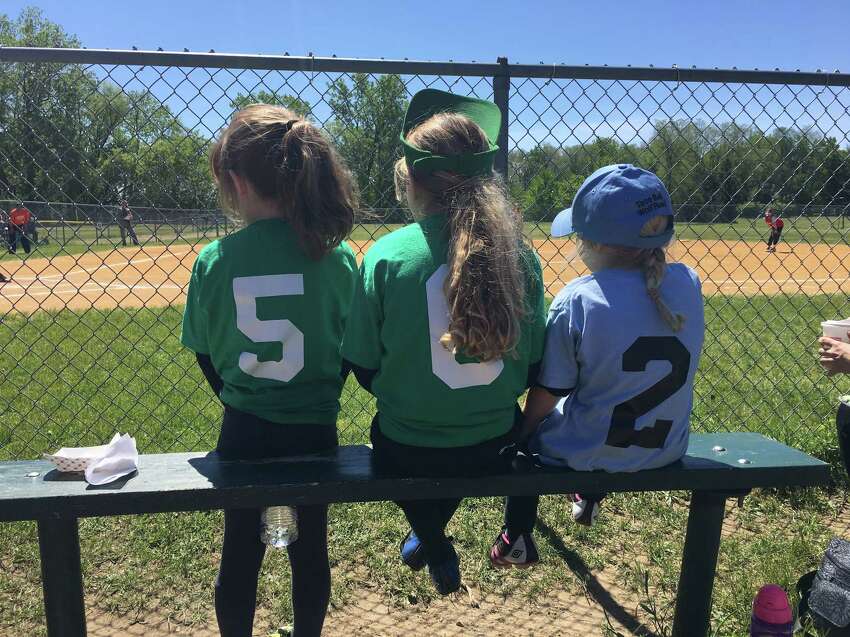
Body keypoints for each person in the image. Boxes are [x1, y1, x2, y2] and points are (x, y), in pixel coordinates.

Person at [342, 89, 546, 595]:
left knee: (398, 443)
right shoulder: (520, 257)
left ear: (411, 179)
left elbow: (363, 365)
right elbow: (536, 361)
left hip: (406, 444)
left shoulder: (387, 254)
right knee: (466, 441)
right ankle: (434, 535)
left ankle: (432, 537)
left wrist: (413, 394)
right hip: (493, 444)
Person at [180, 104, 358, 637]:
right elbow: (351, 349)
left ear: (235, 182)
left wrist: (242, 396)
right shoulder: (340, 258)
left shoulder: (214, 260)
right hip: (314, 426)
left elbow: (205, 354)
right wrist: (319, 393)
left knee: (239, 551)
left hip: (244, 428)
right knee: (310, 551)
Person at [489, 164, 705, 568]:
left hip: (592, 449)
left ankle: (516, 537)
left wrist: (523, 430)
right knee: (601, 403)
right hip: (665, 450)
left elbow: (551, 390)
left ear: (594, 241)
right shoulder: (687, 283)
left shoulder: (579, 299)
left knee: (526, 435)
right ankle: (586, 494)